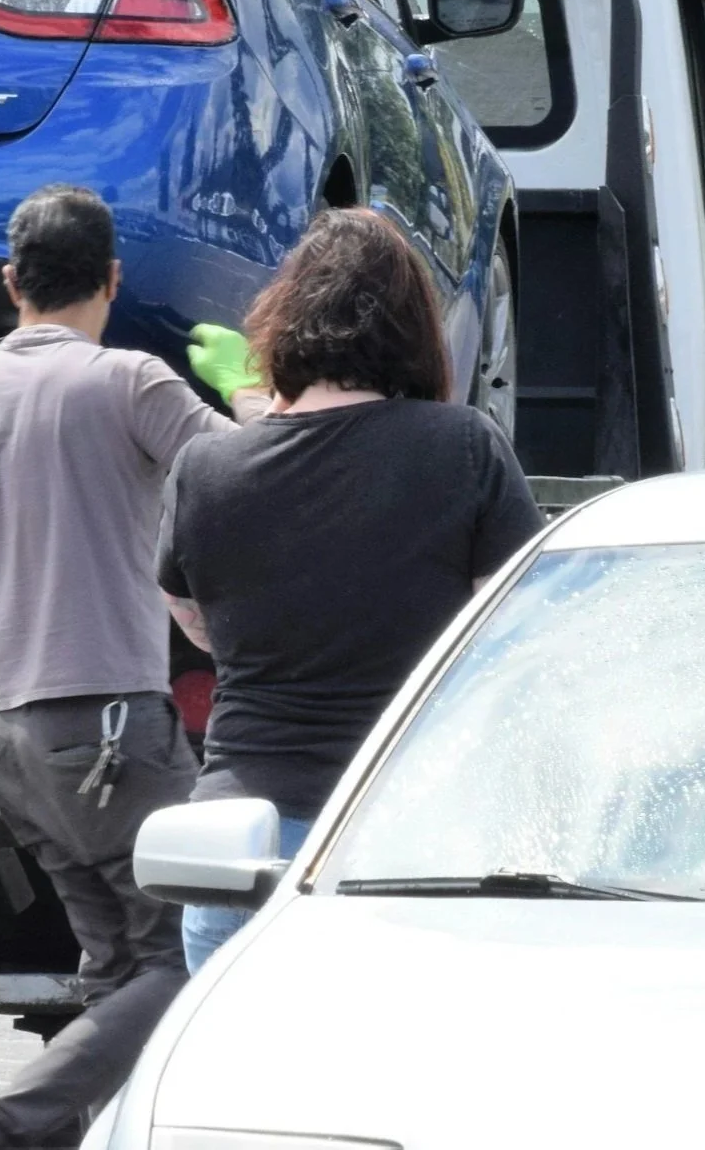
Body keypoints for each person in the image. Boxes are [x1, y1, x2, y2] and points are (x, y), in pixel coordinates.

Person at [0, 184, 262, 1149]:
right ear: (113, 278)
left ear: (12, 280)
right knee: (188, 955)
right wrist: (251, 386)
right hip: (112, 733)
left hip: (13, 742)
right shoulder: (129, 381)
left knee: (115, 964)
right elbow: (253, 479)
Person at [157, 206, 542, 972]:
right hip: (408, 842)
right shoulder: (461, 447)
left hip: (239, 849)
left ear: (283, 325)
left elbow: (193, 619)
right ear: (412, 331)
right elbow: (516, 623)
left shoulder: (205, 469)